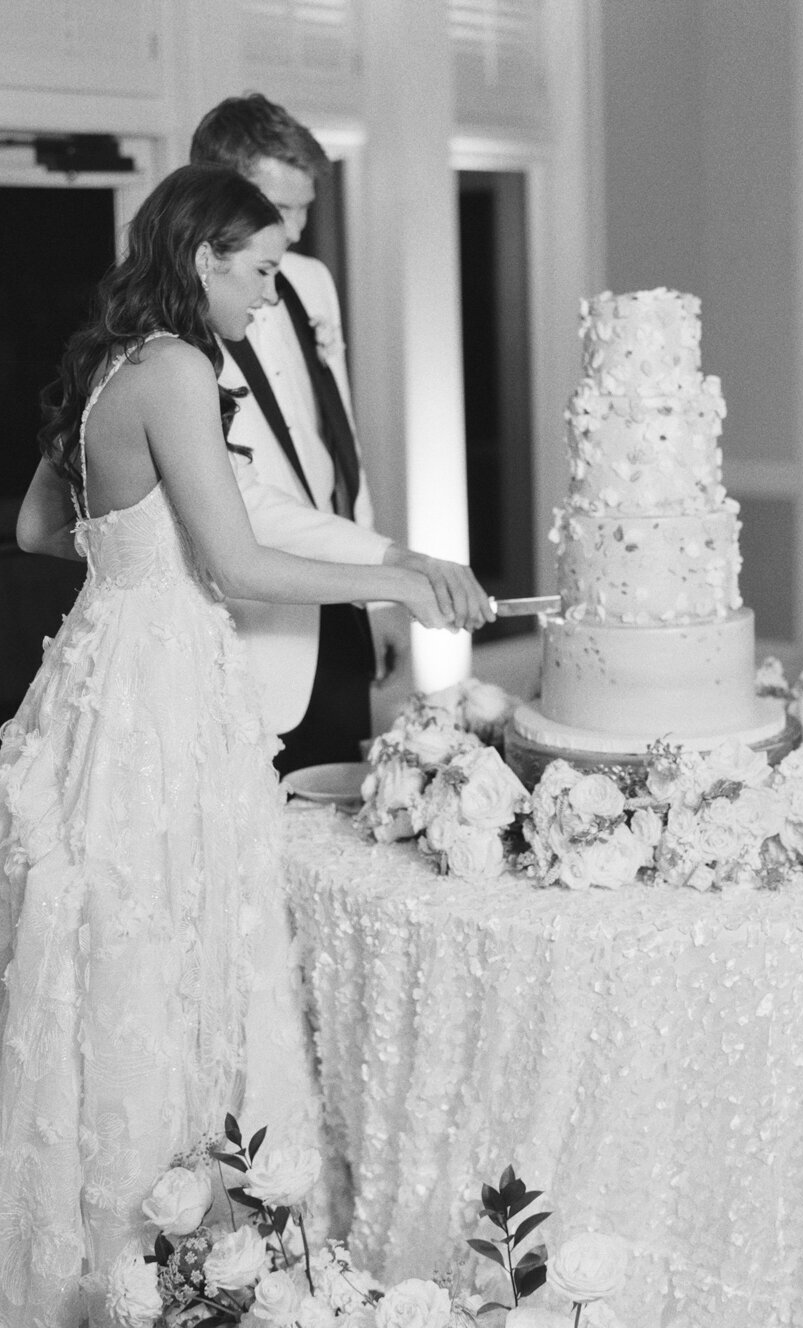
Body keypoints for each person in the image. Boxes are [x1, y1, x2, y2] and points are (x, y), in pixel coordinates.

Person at [0, 162, 492, 1327]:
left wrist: (130, 558)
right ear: (203, 255)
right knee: (175, 943)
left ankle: (143, 1230)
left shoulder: (107, 360)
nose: (272, 295)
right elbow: (237, 564)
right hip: (162, 692)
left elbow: (32, 524)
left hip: (103, 674)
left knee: (118, 948)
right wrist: (393, 580)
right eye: (262, 269)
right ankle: (165, 1240)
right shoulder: (174, 366)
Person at [190, 93, 438, 771]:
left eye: (304, 209)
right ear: (218, 197)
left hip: (342, 600)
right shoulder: (180, 321)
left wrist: (374, 591)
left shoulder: (310, 283)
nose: (296, 230)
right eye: (282, 209)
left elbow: (339, 449)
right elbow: (236, 503)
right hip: (250, 620)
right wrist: (397, 565)